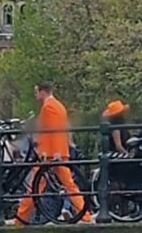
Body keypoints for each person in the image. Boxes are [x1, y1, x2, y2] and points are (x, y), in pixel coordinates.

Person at [16, 82, 90, 224]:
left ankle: (20, 219)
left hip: (50, 155)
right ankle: (84, 215)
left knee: (34, 187)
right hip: (56, 153)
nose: (35, 95)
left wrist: (52, 152)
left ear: (43, 91)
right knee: (68, 185)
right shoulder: (57, 106)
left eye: (36, 92)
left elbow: (53, 130)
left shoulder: (49, 107)